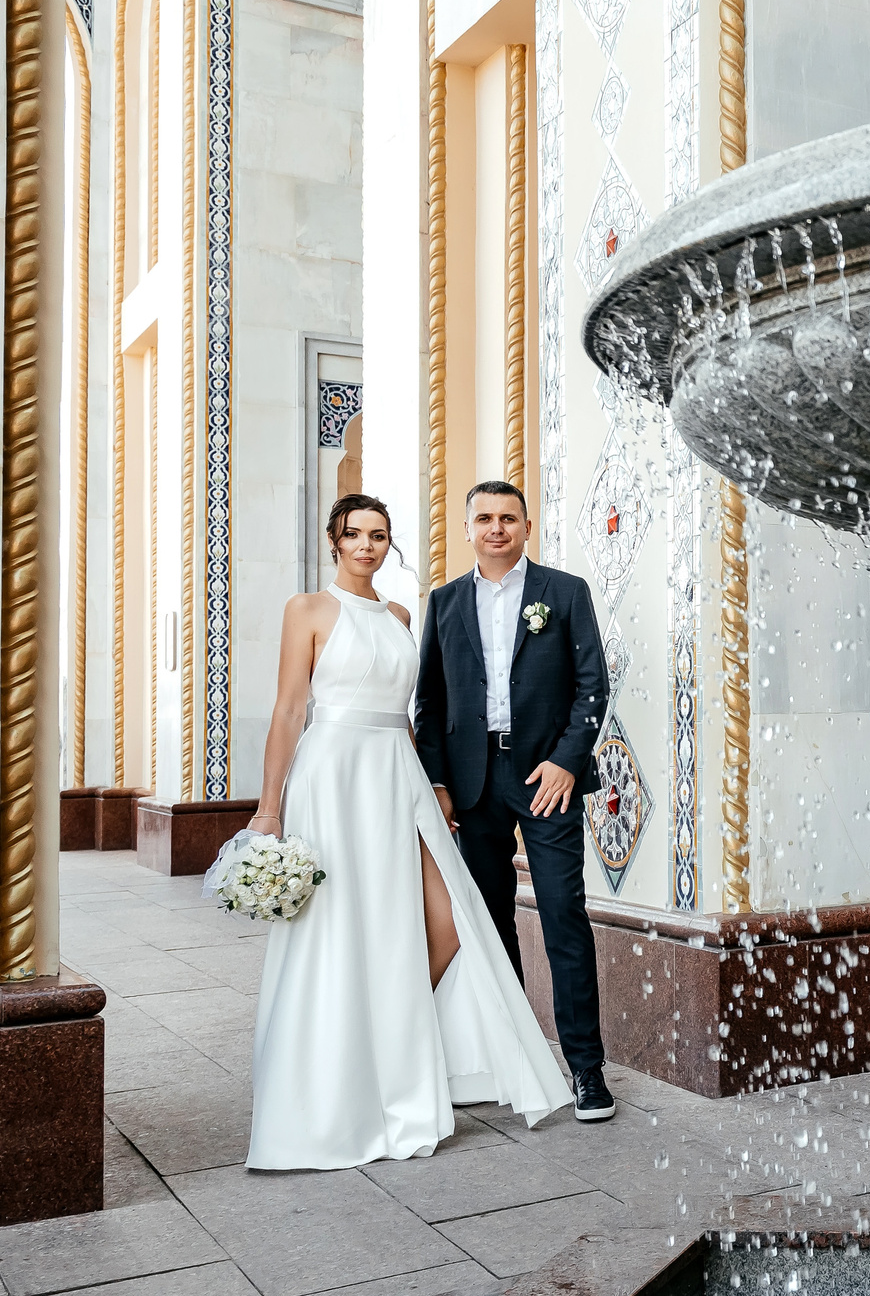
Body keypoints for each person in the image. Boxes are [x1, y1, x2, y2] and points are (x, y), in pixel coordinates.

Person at [244, 495, 572, 1170]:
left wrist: (435, 783)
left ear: (389, 546)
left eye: (379, 536)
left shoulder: (399, 615)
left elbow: (418, 710)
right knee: (337, 928)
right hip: (333, 775)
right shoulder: (306, 609)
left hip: (400, 774)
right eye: (355, 535)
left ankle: (379, 1047)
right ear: (334, 541)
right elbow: (287, 711)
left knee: (447, 921)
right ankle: (335, 1079)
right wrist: (269, 808)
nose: (367, 546)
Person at [415, 480, 617, 1122]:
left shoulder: (564, 592)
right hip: (473, 786)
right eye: (484, 518)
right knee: (491, 925)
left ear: (527, 527)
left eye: (508, 518)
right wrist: (441, 784)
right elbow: (431, 700)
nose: (496, 528)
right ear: (467, 529)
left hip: (545, 777)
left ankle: (587, 1071)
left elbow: (593, 684)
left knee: (563, 916)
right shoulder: (444, 602)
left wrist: (566, 760)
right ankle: (514, 1059)